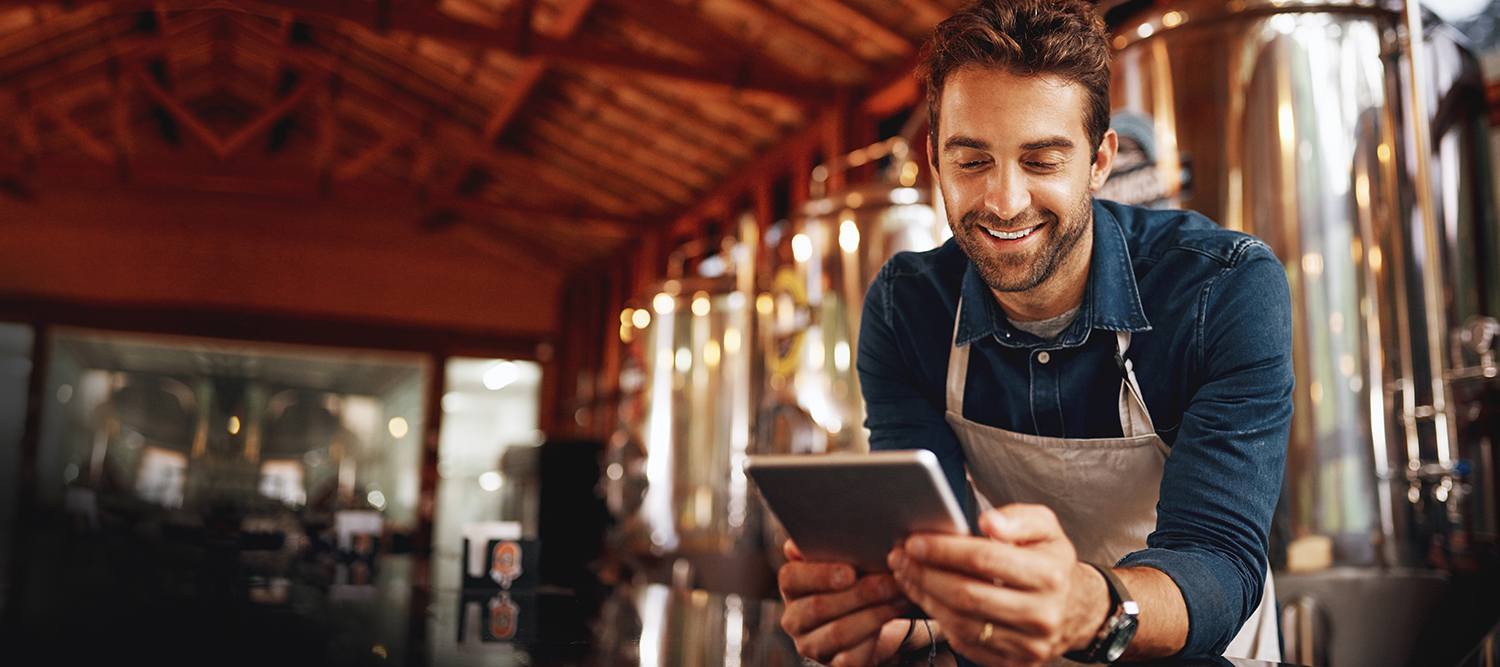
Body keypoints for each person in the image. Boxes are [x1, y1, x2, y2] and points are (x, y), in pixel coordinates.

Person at [775, 1, 1294, 666]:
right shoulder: (908, 309)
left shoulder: (1223, 290)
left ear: (1099, 161)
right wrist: (872, 610)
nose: (1004, 201)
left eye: (1042, 160)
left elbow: (1218, 559)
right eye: (971, 161)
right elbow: (932, 543)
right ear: (935, 161)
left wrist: (1090, 606)